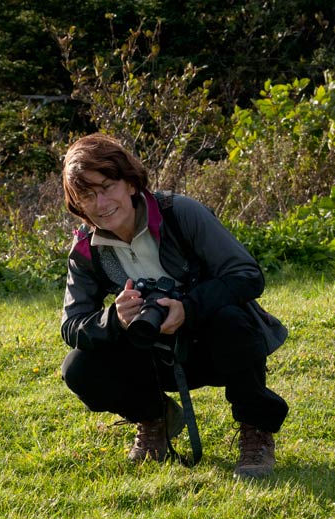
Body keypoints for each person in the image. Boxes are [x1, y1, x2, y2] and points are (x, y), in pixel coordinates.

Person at [59, 133, 289, 478]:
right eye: (87, 196)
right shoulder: (85, 249)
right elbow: (72, 325)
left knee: (231, 318)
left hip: (214, 344)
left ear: (131, 183)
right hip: (150, 354)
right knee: (78, 367)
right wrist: (115, 318)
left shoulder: (180, 213)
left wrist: (189, 307)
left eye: (107, 187)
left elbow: (247, 275)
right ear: (78, 205)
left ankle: (256, 429)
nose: (101, 203)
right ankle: (155, 419)